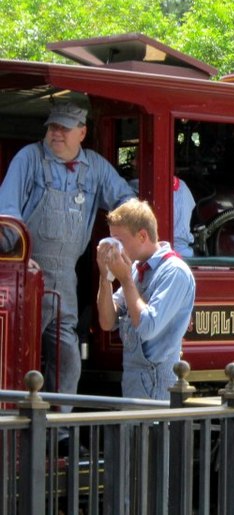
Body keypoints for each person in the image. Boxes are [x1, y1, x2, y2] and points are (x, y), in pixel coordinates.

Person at [0, 101, 134, 406]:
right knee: (22, 353)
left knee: (68, 357)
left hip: (66, 278)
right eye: (52, 127)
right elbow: (6, 211)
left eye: (63, 128)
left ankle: (60, 431)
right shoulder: (29, 159)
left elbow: (127, 201)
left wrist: (118, 242)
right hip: (26, 276)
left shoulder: (96, 168)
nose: (55, 133)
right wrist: (16, 253)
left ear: (82, 133)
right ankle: (21, 428)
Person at [96, 199, 195, 399]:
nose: (115, 248)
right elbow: (107, 322)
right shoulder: (134, 269)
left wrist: (125, 280)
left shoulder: (175, 272)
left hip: (158, 384)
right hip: (134, 381)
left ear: (142, 235)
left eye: (119, 241)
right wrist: (105, 277)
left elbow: (148, 327)